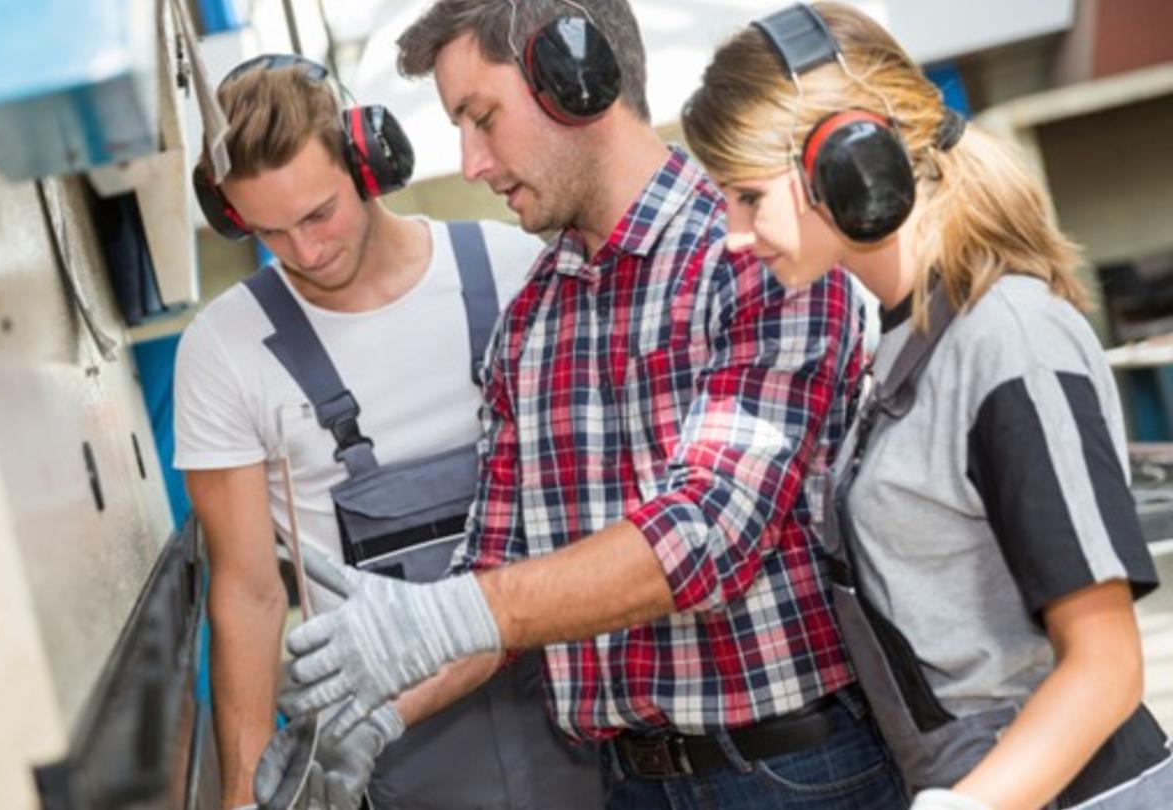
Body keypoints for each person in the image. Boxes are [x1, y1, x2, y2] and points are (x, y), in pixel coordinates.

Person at [265, 1, 908, 808]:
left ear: (577, 80)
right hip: (626, 783)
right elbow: (493, 585)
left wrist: (451, 614)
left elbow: (706, 533)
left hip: (791, 774)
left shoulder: (758, 259)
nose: (469, 161)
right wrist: (374, 716)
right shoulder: (530, 325)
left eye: (481, 118)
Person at [678, 3, 1172, 809]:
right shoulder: (906, 345)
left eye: (746, 195)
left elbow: (1107, 662)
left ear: (845, 164)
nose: (733, 233)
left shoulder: (1007, 340)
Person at [174, 55, 599, 809]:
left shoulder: (514, 271)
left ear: (367, 163)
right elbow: (245, 594)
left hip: (576, 705)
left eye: (319, 214)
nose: (306, 253)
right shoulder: (223, 349)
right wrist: (242, 799)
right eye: (272, 233)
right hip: (393, 744)